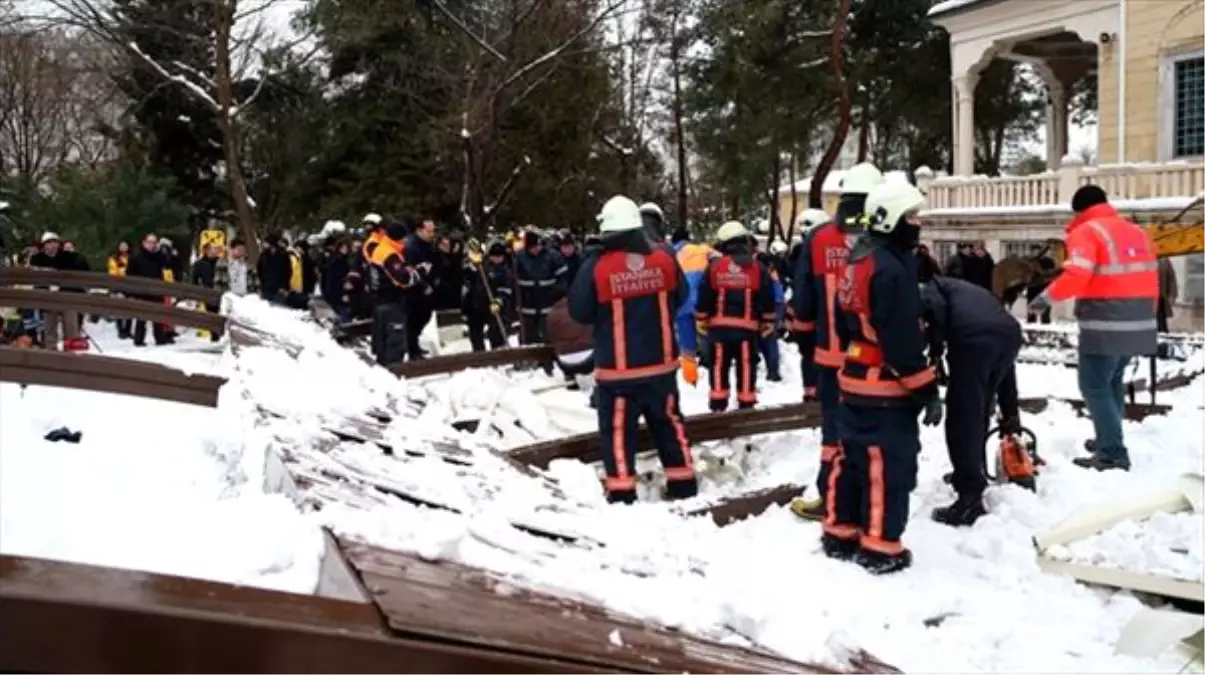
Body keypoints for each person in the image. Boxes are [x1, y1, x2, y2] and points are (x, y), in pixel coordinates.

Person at [823, 180, 940, 575]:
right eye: (911, 217)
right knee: (887, 467)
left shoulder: (857, 260)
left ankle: (840, 532)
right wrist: (927, 390)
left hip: (854, 376)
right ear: (891, 219)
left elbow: (845, 319)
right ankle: (880, 546)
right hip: (886, 385)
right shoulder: (891, 268)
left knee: (851, 458)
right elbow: (902, 339)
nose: (917, 223)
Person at [569, 196, 696, 504]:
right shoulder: (664, 258)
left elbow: (580, 311)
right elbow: (681, 296)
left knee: (617, 433)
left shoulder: (597, 266)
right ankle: (683, 484)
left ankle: (623, 490)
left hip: (618, 372)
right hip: (661, 367)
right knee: (669, 423)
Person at [1029, 185, 1158, 471]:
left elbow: (1077, 274)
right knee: (1112, 382)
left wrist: (1043, 300)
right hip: (1139, 320)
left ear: (1079, 210)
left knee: (1094, 385)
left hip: (1106, 321)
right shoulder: (1135, 231)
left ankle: (1112, 452)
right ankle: (1108, 438)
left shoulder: (1086, 232)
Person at [789, 163, 885, 521]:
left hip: (831, 360)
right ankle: (872, 504)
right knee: (874, 432)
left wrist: (805, 342)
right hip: (877, 362)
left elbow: (803, 303)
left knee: (834, 432)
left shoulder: (819, 239)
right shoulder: (886, 235)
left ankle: (831, 497)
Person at [920, 274, 1022, 526]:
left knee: (962, 415)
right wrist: (1010, 411)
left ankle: (969, 500)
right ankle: (970, 474)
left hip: (972, 340)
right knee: (978, 408)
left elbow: (936, 312)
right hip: (1009, 335)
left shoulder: (930, 288)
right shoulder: (972, 292)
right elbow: (1007, 373)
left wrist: (935, 352)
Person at [696, 221, 775, 411]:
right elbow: (767, 296)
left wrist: (701, 318)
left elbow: (705, 294)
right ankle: (746, 406)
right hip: (747, 331)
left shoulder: (714, 267)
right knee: (747, 368)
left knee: (718, 368)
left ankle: (718, 407)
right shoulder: (757, 268)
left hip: (718, 331)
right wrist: (768, 321)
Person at [368, 221, 430, 365]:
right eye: (404, 237)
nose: (406, 240)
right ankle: (393, 373)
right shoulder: (389, 254)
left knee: (382, 341)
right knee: (394, 341)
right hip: (391, 301)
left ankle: (383, 369)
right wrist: (420, 272)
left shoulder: (382, 249)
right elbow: (404, 279)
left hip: (380, 300)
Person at [786, 208, 832, 402]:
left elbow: (801, 285)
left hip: (811, 312)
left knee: (810, 354)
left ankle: (813, 392)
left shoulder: (800, 251)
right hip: (827, 314)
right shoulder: (828, 247)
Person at [672, 227, 715, 388]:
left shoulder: (670, 254)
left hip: (681, 306)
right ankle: (711, 370)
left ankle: (691, 381)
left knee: (687, 347)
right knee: (705, 336)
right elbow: (721, 259)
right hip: (701, 304)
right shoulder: (702, 250)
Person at [513, 229, 567, 346]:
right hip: (527, 306)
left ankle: (548, 361)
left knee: (550, 336)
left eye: (538, 246)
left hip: (548, 305)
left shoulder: (553, 257)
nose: (536, 249)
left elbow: (563, 278)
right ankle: (529, 361)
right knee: (528, 337)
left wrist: (556, 292)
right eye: (533, 247)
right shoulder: (519, 258)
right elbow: (512, 280)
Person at [462, 240, 512, 351]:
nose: (497, 259)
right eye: (494, 256)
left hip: (493, 305)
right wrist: (472, 264)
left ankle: (498, 353)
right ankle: (479, 357)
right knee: (475, 333)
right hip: (476, 304)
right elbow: (468, 276)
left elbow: (506, 290)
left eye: (500, 256)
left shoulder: (505, 271)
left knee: (496, 332)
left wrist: (499, 301)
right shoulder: (481, 263)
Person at [125, 233, 171, 347]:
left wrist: (164, 252)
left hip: (157, 289)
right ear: (144, 243)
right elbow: (129, 275)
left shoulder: (159, 256)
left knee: (158, 315)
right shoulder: (136, 258)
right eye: (150, 242)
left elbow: (167, 265)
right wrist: (132, 291)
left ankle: (159, 337)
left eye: (154, 242)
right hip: (142, 291)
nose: (152, 245)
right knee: (141, 317)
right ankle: (139, 339)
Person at [1025, 245, 1056, 323]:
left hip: (1044, 288)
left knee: (1045, 311)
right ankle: (1031, 325)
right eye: (1033, 251)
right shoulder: (1029, 261)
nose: (1035, 253)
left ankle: (1045, 326)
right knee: (1031, 311)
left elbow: (1052, 274)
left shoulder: (1048, 261)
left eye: (1037, 251)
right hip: (1032, 288)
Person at [107, 241, 132, 339]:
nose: (123, 248)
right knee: (119, 308)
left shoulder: (131, 258)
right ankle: (120, 329)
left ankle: (128, 329)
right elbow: (112, 271)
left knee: (130, 308)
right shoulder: (113, 258)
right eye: (121, 246)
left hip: (130, 285)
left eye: (125, 246)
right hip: (118, 285)